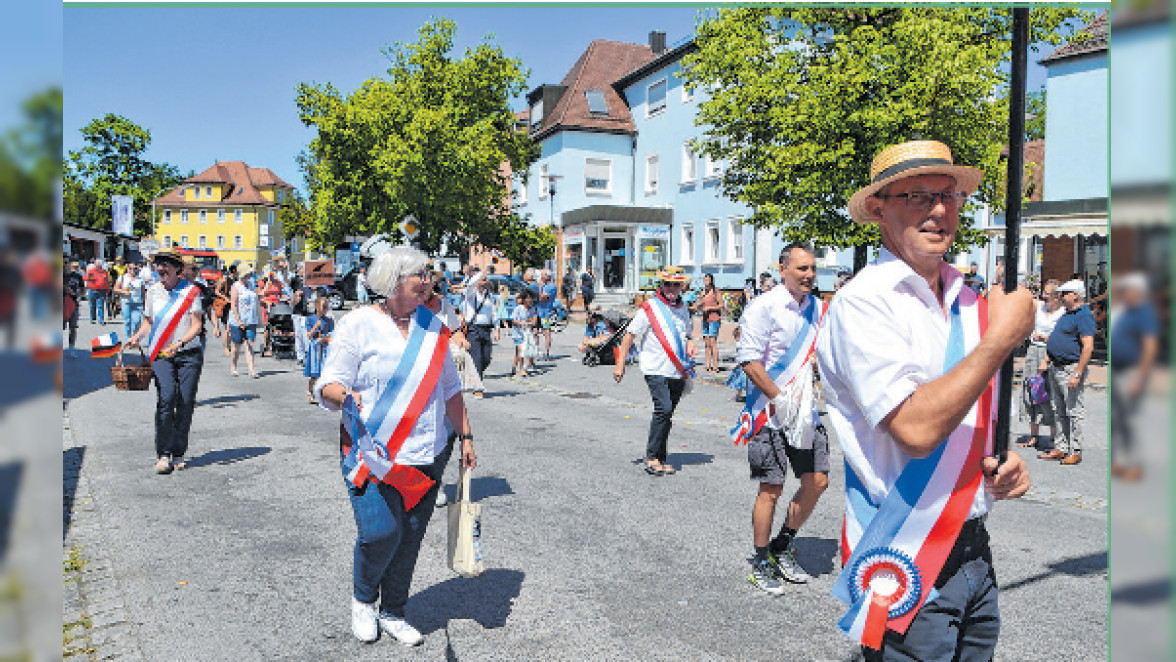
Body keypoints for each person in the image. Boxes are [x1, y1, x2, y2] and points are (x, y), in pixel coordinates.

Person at [816, 139, 1033, 659]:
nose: (938, 210)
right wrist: (1000, 340)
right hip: (906, 550)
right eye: (917, 196)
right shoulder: (865, 303)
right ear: (879, 209)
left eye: (949, 195)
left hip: (973, 546)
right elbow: (914, 430)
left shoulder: (968, 300)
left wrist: (1004, 461)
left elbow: (970, 411)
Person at [314, 245, 476, 648]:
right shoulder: (359, 323)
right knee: (380, 532)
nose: (429, 280)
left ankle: (394, 610)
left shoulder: (434, 326)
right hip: (373, 452)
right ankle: (364, 600)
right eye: (420, 274)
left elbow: (451, 389)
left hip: (428, 452)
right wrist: (345, 396)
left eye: (428, 274)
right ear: (394, 280)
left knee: (411, 535)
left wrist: (467, 437)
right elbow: (327, 382)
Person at [733, 243, 830, 594]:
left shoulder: (818, 308)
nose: (808, 275)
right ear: (783, 268)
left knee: (817, 480)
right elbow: (748, 360)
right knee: (771, 489)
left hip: (804, 411)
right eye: (801, 268)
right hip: (769, 412)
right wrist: (779, 397)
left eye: (812, 269)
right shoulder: (764, 307)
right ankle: (761, 560)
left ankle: (782, 545)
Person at [126, 248, 206, 475]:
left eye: (166, 264)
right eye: (158, 264)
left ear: (178, 269)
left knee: (185, 401)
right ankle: (163, 454)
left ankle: (178, 452)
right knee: (167, 396)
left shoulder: (191, 292)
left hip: (188, 353)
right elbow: (149, 322)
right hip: (161, 354)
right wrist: (137, 337)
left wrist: (179, 343)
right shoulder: (152, 291)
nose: (160, 268)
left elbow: (196, 326)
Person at [612, 266, 697, 476]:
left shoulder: (682, 308)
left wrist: (690, 342)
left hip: (677, 369)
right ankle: (651, 456)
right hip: (655, 367)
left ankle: (661, 457)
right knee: (664, 409)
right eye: (667, 284)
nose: (671, 288)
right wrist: (620, 363)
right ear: (661, 284)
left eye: (675, 285)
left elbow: (686, 334)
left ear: (681, 287)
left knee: (667, 415)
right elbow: (629, 335)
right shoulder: (649, 308)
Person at [1038, 278, 1095, 466]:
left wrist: (1077, 373)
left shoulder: (1083, 315)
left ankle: (1075, 450)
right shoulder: (1067, 313)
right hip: (1057, 366)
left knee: (1073, 411)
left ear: (1076, 295)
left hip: (1070, 367)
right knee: (1059, 409)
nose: (1061, 297)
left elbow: (1088, 346)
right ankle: (1061, 447)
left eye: (1065, 293)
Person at [1109, 272, 1159, 481]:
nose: (1124, 294)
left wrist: (1140, 377)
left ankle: (1134, 464)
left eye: (1127, 291)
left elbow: (1150, 346)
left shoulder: (1144, 312)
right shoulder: (1125, 311)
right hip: (1117, 370)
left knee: (1131, 420)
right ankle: (1120, 461)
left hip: (1131, 372)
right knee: (1117, 419)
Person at [1017, 279, 1064, 451]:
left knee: (1049, 394)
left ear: (1057, 297)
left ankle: (1053, 437)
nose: (1043, 296)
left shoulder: (1063, 313)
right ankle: (1033, 436)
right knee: (1031, 391)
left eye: (1047, 294)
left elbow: (1062, 338)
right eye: (1043, 292)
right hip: (1033, 352)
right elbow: (1026, 297)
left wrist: (1045, 338)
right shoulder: (1040, 307)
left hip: (1050, 353)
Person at [461, 269, 497, 398]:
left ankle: (474, 376)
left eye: (485, 280)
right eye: (482, 280)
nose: (484, 282)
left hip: (486, 328)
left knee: (486, 358)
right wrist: (481, 273)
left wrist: (497, 328)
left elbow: (493, 311)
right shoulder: (470, 294)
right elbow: (470, 284)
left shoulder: (489, 295)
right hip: (473, 328)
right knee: (477, 357)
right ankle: (478, 387)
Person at [229, 263, 261, 379]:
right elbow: (233, 304)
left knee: (250, 343)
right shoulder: (236, 286)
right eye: (248, 273)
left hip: (251, 319)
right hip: (238, 320)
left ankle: (251, 369)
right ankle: (233, 366)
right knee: (237, 345)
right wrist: (238, 320)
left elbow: (257, 297)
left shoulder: (251, 285)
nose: (250, 275)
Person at [304, 296, 335, 404]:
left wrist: (326, 338)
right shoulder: (310, 319)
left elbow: (333, 334)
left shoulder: (329, 320)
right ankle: (309, 389)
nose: (325, 309)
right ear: (317, 307)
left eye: (326, 307)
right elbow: (308, 335)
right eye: (323, 306)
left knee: (325, 372)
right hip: (315, 347)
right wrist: (315, 327)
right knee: (315, 373)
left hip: (325, 346)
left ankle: (323, 394)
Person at [113, 259, 146, 345]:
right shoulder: (122, 278)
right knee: (127, 321)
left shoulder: (140, 279)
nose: (133, 270)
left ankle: (134, 338)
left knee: (137, 321)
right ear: (127, 269)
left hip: (137, 303)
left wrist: (145, 303)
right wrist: (124, 292)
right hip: (126, 302)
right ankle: (128, 339)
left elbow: (143, 292)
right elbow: (115, 289)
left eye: (135, 268)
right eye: (131, 268)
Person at [697, 273, 723, 373]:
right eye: (705, 280)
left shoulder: (716, 292)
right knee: (707, 343)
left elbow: (720, 305)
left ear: (712, 281)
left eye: (708, 280)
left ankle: (715, 367)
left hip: (714, 319)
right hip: (705, 319)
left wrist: (710, 308)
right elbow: (699, 304)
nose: (706, 282)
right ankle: (708, 365)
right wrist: (700, 300)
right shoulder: (703, 292)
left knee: (713, 343)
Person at [511, 289, 538, 377]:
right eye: (527, 298)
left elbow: (534, 319)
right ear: (523, 299)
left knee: (518, 351)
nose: (529, 300)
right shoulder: (518, 309)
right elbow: (514, 320)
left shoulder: (532, 309)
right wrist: (524, 323)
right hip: (517, 332)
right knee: (521, 349)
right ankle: (522, 369)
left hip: (527, 333)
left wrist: (534, 325)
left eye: (530, 298)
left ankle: (514, 367)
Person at [536, 269, 558, 360]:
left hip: (545, 313)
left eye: (542, 275)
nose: (540, 277)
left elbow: (542, 298)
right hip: (537, 312)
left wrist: (540, 288)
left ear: (547, 276)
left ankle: (546, 353)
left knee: (546, 332)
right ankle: (535, 352)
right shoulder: (544, 285)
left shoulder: (551, 286)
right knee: (534, 331)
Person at [64, 261, 84, 351]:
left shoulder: (77, 277)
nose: (65, 265)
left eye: (67, 263)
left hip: (73, 303)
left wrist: (75, 293)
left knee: (73, 327)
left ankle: (71, 348)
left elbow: (83, 291)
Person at [84, 258, 111, 325]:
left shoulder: (104, 272)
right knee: (92, 305)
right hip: (92, 290)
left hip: (102, 291)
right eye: (97, 264)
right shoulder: (90, 271)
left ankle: (101, 319)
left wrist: (108, 289)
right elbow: (85, 278)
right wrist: (90, 278)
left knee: (100, 305)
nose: (99, 266)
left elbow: (107, 281)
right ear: (95, 264)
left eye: (100, 265)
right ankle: (92, 319)